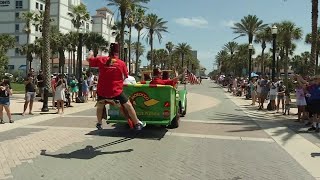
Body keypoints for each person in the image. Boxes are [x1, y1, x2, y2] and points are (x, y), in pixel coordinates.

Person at [87, 43, 146, 130]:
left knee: (100, 105)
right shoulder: (121, 63)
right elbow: (126, 75)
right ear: (117, 53)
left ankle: (99, 123)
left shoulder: (101, 59)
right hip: (116, 91)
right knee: (128, 105)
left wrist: (91, 52)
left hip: (102, 91)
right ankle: (137, 123)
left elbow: (89, 59)